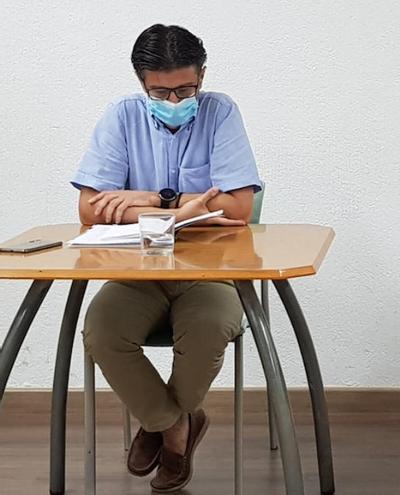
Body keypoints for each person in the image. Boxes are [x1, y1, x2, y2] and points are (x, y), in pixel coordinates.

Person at [73, 24, 261, 493]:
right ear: (143, 85)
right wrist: (176, 201)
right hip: (138, 269)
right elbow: (89, 209)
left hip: (213, 272)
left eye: (185, 89)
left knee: (208, 330)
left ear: (202, 76)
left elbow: (237, 208)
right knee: (102, 331)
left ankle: (162, 426)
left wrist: (137, 203)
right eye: (161, 91)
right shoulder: (121, 116)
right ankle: (174, 426)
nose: (175, 100)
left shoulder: (221, 113)